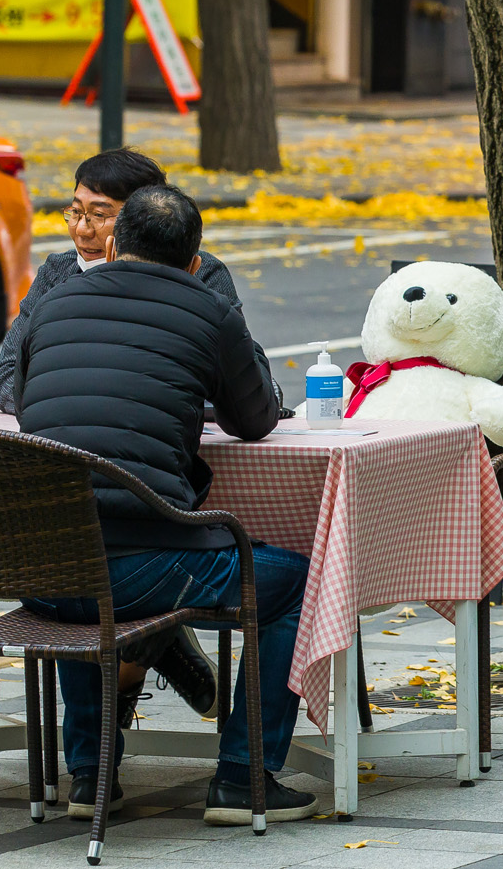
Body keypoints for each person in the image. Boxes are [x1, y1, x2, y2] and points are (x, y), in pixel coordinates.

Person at [16, 184, 314, 825]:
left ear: (115, 244)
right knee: (296, 582)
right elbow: (256, 421)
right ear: (195, 261)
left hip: (31, 570)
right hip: (140, 568)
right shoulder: (207, 311)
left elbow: (20, 392)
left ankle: (91, 778)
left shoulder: (54, 301)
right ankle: (243, 776)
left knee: (82, 551)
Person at [0, 148, 240, 415]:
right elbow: (4, 376)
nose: (83, 230)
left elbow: (246, 384)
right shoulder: (58, 273)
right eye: (75, 212)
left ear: (143, 220)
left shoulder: (201, 274)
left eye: (99, 215)